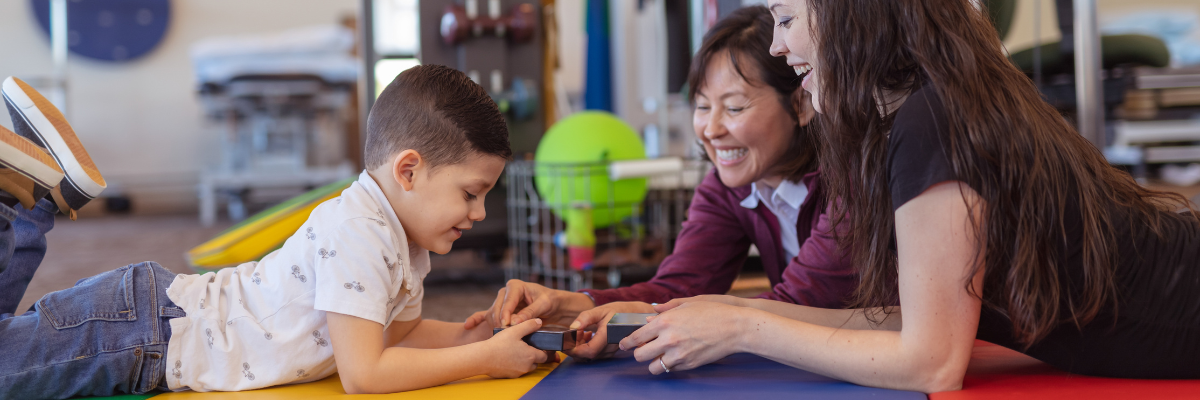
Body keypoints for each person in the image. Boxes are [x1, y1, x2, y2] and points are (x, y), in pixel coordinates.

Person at [616, 0, 1200, 392]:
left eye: (788, 19)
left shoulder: (933, 121)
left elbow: (933, 360)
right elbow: (914, 319)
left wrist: (741, 329)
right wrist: (733, 311)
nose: (777, 47)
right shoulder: (914, 116)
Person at [0, 65, 549, 399]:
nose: (478, 214)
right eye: (470, 193)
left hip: (148, 326)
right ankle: (18, 202)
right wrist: (483, 361)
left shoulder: (402, 241)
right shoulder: (360, 231)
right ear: (408, 171)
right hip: (140, 335)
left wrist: (473, 337)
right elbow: (366, 373)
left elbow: (396, 337)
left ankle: (30, 199)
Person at [465, 5, 857, 360]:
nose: (711, 128)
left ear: (803, 103)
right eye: (702, 106)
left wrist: (651, 314)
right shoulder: (728, 187)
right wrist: (570, 303)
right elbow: (680, 285)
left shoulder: (847, 181)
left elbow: (802, 301)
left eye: (734, 107)